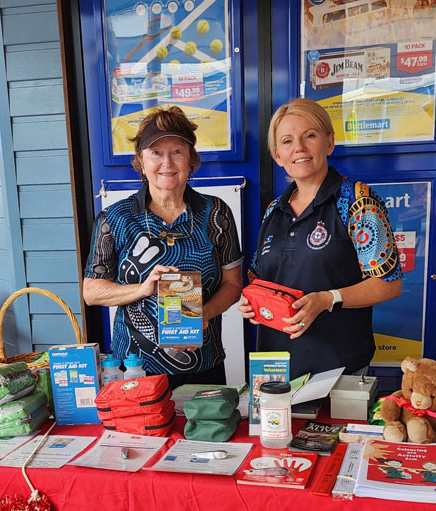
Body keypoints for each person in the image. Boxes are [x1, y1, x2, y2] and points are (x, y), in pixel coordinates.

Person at [239, 98, 402, 378]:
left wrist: (328, 299)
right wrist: (252, 302)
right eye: (287, 141)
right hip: (275, 367)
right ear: (278, 155)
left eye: (309, 136)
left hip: (338, 366)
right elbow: (258, 278)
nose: (299, 148)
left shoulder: (357, 200)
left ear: (329, 142)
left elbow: (388, 284)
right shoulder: (273, 211)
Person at [82, 106, 243, 387]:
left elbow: (233, 284)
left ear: (190, 159)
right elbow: (91, 292)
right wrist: (142, 288)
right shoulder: (116, 218)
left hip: (202, 364)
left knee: (204, 431)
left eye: (177, 151)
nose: (166, 162)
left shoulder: (216, 213)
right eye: (156, 152)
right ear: (141, 161)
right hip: (134, 369)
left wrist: (205, 312)